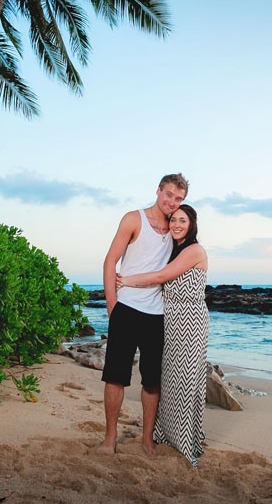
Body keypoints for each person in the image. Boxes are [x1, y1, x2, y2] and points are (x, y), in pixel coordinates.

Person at [97, 174, 189, 457]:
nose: (172, 202)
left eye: (178, 199)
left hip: (157, 315)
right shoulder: (133, 219)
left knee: (151, 381)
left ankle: (147, 439)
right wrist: (112, 306)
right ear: (158, 191)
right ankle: (110, 438)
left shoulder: (176, 229)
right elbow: (110, 260)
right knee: (115, 376)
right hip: (126, 308)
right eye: (169, 195)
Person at [117, 204, 209, 467]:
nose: (176, 224)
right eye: (173, 220)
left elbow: (161, 276)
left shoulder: (194, 250)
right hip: (169, 319)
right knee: (168, 380)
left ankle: (185, 440)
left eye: (183, 220)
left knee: (186, 381)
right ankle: (165, 434)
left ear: (192, 225)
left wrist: (125, 280)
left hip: (190, 321)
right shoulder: (173, 249)